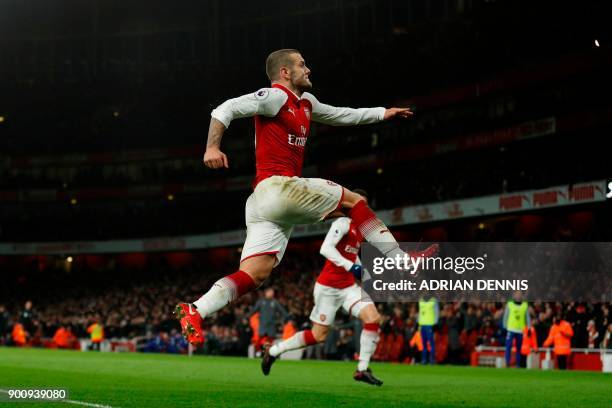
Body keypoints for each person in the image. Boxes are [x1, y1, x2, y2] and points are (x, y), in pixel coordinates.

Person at [175, 48, 437, 346]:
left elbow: (341, 115)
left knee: (255, 274)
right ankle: (401, 261)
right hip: (278, 188)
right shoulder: (275, 96)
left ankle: (195, 309)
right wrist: (212, 147)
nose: (308, 69)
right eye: (302, 65)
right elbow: (225, 108)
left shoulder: (307, 102)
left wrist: (382, 113)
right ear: (285, 72)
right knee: (355, 202)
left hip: (264, 203)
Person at [260, 191, 436, 385]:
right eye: (362, 205)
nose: (365, 210)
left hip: (348, 287)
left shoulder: (360, 230)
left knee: (373, 318)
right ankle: (274, 351)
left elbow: (353, 256)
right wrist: (350, 266)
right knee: (318, 335)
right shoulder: (342, 223)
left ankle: (362, 369)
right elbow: (325, 248)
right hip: (327, 288)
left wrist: (366, 274)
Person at [248, 288, 288, 353]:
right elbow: (254, 310)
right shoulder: (261, 302)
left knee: (270, 340)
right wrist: (247, 316)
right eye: (270, 292)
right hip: (262, 325)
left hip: (271, 325)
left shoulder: (275, 302)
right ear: (266, 293)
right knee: (259, 339)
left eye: (272, 292)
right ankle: (258, 351)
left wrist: (288, 317)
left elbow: (282, 311)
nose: (272, 294)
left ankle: (268, 353)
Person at [503, 292, 529, 368]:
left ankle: (518, 364)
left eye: (519, 295)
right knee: (508, 347)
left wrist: (529, 327)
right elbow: (506, 315)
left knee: (519, 348)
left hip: (520, 330)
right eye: (516, 295)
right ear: (514, 296)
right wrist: (505, 326)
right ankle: (507, 363)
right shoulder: (510, 304)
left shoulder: (525, 305)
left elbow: (527, 317)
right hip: (511, 329)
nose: (518, 296)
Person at [418, 296, 438, 365]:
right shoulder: (421, 300)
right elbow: (420, 313)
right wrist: (419, 324)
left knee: (431, 344)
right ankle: (424, 360)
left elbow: (436, 313)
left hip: (430, 325)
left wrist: (435, 323)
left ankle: (432, 360)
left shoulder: (433, 300)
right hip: (423, 325)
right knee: (423, 344)